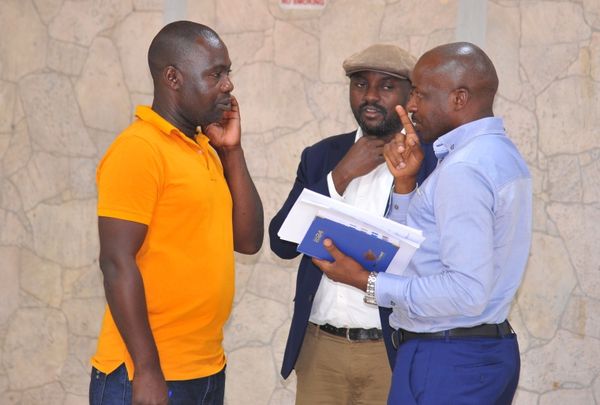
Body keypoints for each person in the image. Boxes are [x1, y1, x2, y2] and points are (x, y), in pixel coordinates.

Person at [314, 42, 532, 404]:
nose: (411, 105)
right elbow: (427, 251)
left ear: (459, 98)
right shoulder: (497, 153)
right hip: (468, 351)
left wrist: (365, 281)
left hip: (449, 359)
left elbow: (465, 290)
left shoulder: (464, 169)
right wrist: (405, 186)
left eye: (420, 94)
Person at [89, 21, 264, 405]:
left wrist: (231, 151)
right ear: (173, 78)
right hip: (145, 373)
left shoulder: (205, 148)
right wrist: (148, 370)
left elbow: (249, 241)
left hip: (205, 368)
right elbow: (116, 262)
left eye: (228, 72)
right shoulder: (139, 149)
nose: (228, 85)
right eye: (215, 74)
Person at [269, 44, 436, 404]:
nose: (370, 96)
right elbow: (281, 244)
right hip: (320, 348)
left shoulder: (430, 162)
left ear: (410, 97)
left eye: (386, 86)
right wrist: (340, 175)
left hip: (391, 351)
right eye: (360, 84)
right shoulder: (322, 156)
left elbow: (434, 260)